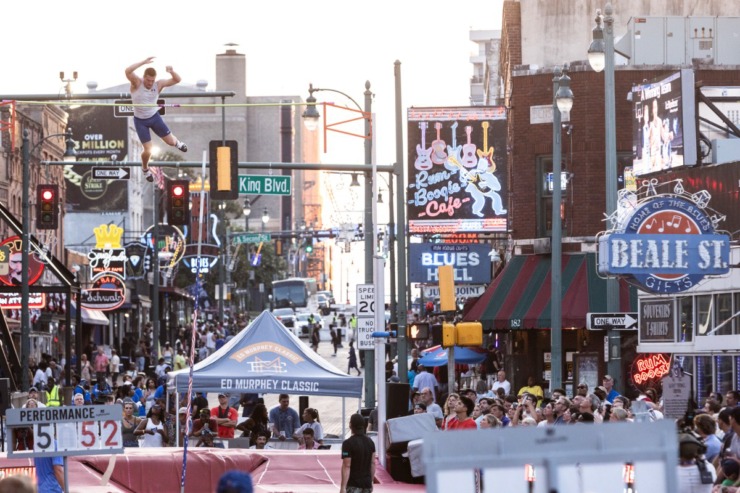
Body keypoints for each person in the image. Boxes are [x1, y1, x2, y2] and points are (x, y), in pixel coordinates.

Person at [125, 57, 188, 181]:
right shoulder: (137, 83)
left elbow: (177, 79)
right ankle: (145, 169)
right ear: (144, 78)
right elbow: (127, 71)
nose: (149, 83)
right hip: (140, 121)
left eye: (152, 81)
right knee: (148, 149)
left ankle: (178, 143)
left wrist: (171, 71)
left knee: (170, 142)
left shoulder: (158, 84)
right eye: (148, 80)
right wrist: (142, 62)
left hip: (154, 117)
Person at [340, 413, 376, 493]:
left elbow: (347, 465)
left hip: (353, 484)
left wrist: (343, 487)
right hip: (367, 484)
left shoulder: (347, 444)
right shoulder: (371, 442)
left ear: (350, 425)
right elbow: (373, 463)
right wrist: (371, 482)